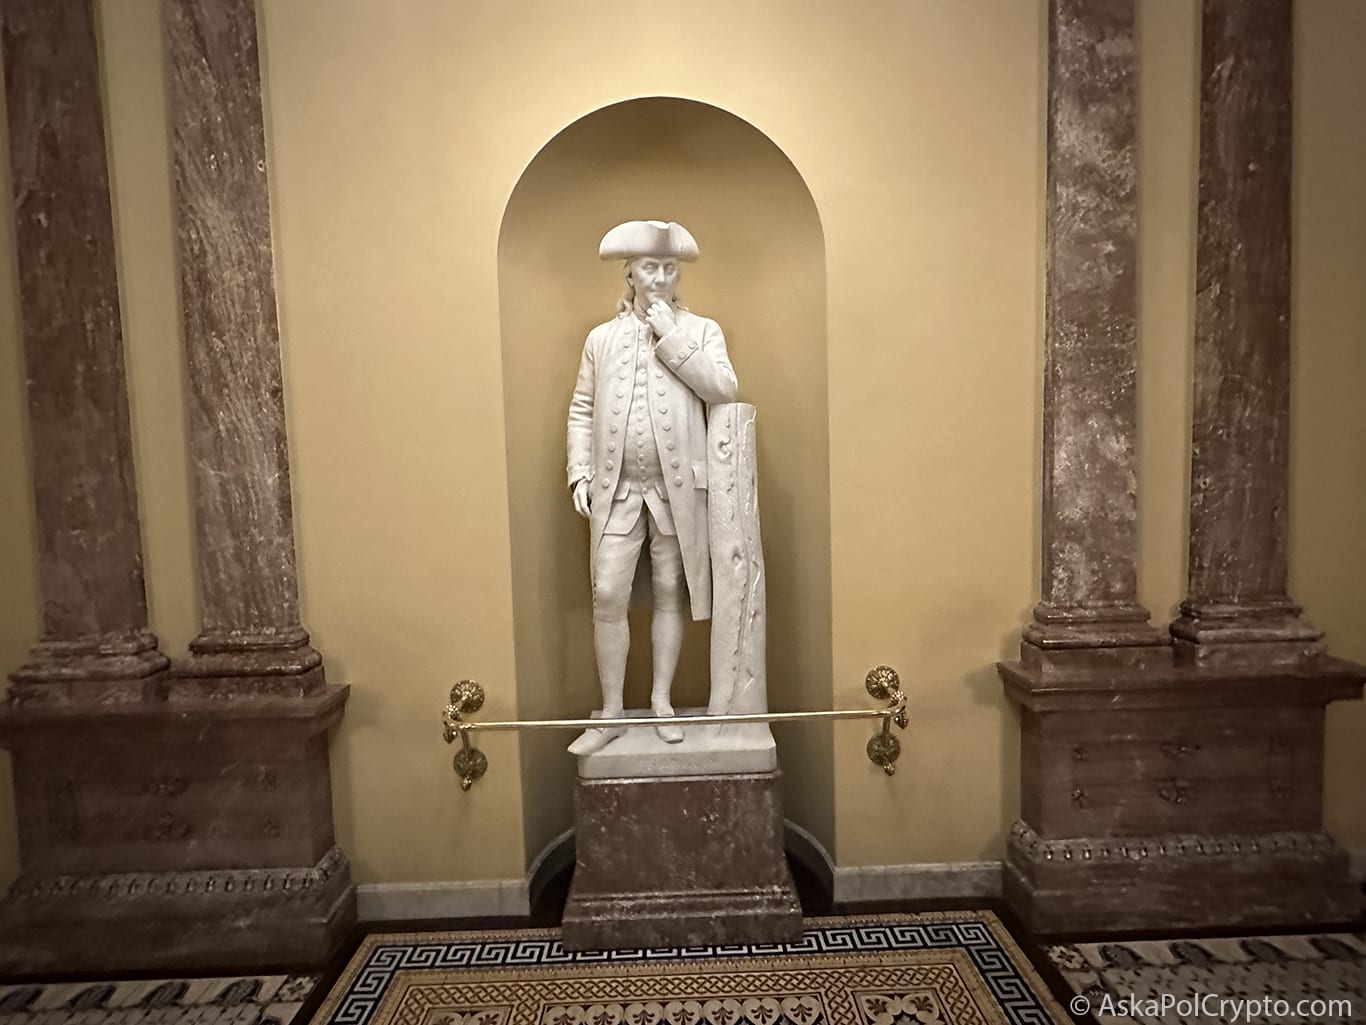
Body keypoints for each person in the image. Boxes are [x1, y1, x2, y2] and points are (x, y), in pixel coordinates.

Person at [566, 220, 738, 755]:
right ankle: (612, 711)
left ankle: (661, 700)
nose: (661, 277)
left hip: (678, 490)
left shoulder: (702, 330)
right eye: (650, 268)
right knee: (608, 595)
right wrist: (579, 471)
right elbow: (582, 408)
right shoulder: (601, 338)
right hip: (615, 490)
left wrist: (674, 336)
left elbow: (724, 390)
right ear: (630, 274)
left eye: (669, 268)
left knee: (671, 593)